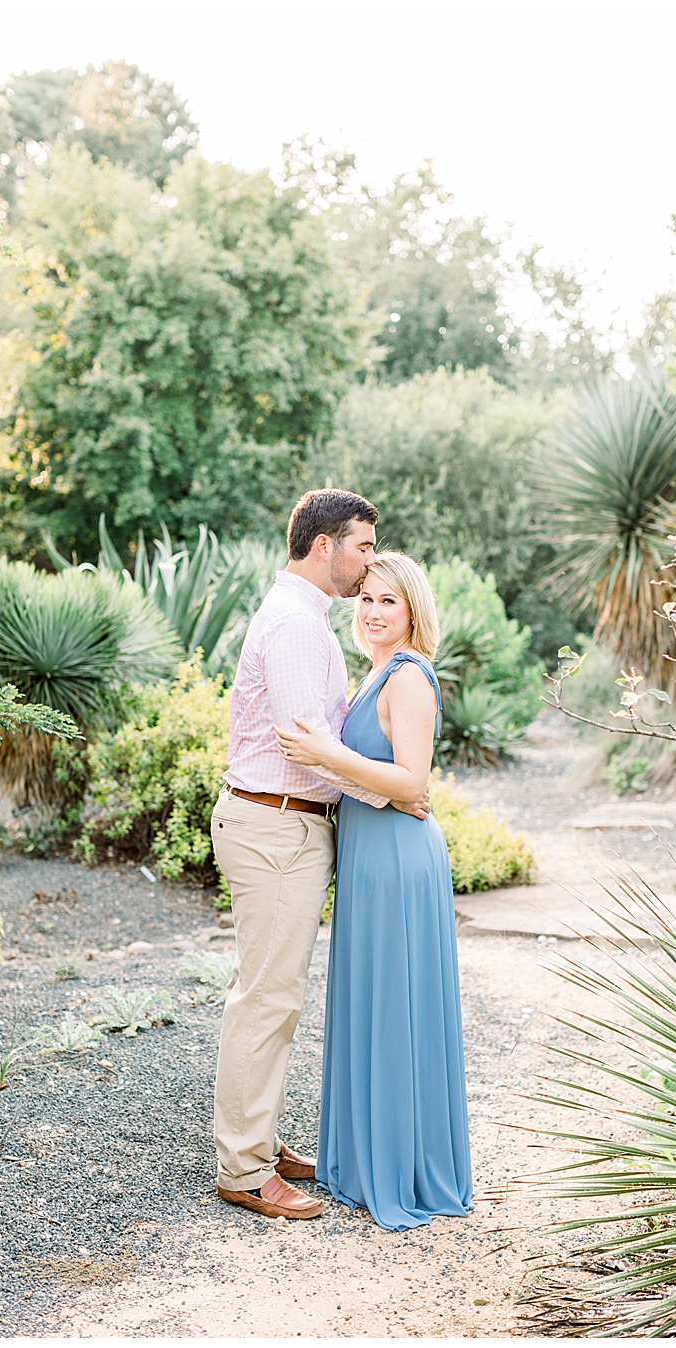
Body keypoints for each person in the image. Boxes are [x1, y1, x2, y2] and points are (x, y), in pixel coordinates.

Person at [208, 488, 429, 1221]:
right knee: (267, 1000)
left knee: (272, 994)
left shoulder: (303, 618)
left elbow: (323, 745)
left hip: (283, 826)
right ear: (325, 545)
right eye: (363, 546)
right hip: (277, 824)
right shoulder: (299, 626)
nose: (368, 563)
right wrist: (394, 796)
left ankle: (259, 1144)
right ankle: (244, 1169)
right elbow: (309, 756)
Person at [276, 551, 474, 1231]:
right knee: (372, 1001)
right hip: (367, 856)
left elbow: (411, 783)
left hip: (396, 861)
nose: (373, 610)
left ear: (413, 608)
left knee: (395, 1005)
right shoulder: (375, 675)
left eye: (388, 600)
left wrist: (325, 755)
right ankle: (367, 1162)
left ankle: (402, 1169)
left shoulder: (411, 676)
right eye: (365, 598)